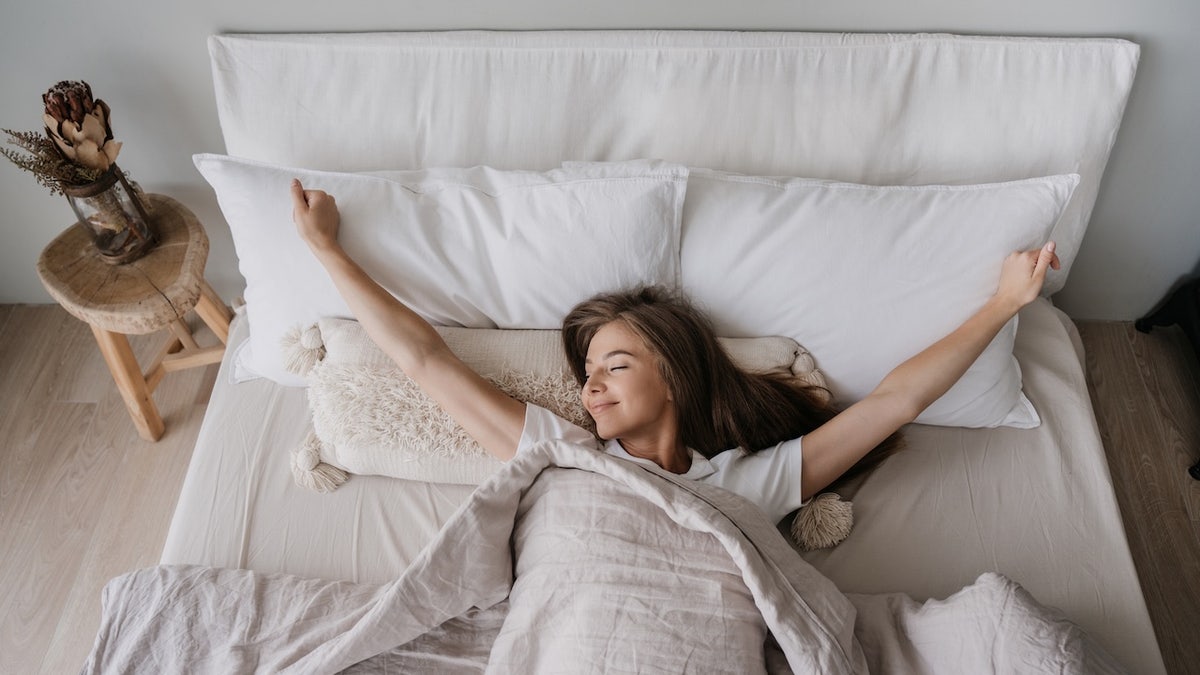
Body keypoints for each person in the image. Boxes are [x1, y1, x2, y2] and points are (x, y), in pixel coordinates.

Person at [291, 179, 1060, 523]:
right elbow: (426, 361)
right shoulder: (560, 454)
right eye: (588, 372)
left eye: (615, 365)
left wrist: (1002, 304)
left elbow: (898, 400)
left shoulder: (748, 484)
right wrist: (327, 251)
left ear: (674, 377)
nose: (590, 388)